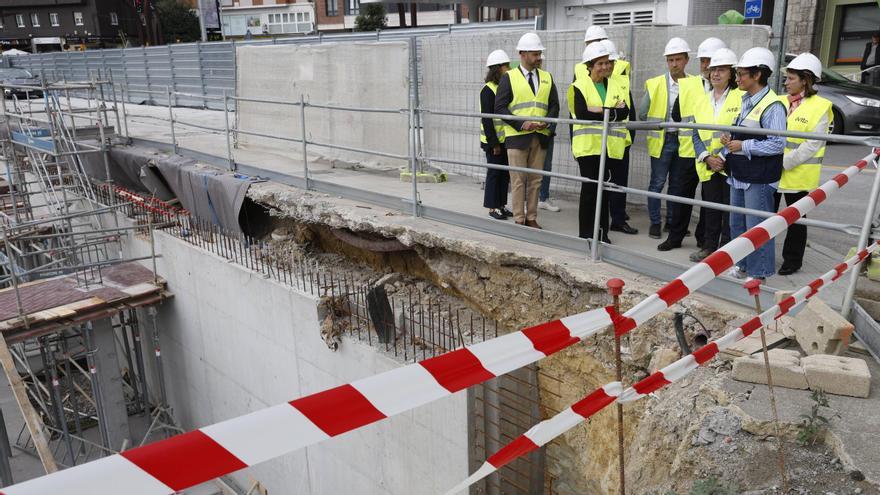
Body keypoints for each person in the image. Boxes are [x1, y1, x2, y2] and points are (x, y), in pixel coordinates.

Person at [719, 47, 787, 281]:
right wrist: (730, 141)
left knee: (757, 227)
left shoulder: (773, 105)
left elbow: (778, 144)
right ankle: (743, 266)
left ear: (757, 75)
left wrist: (744, 146)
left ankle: (759, 273)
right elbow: (747, 133)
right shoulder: (746, 100)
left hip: (758, 177)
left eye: (741, 74)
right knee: (738, 224)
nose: (737, 78)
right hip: (740, 174)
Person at [658, 38, 728, 252]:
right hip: (688, 151)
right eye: (704, 61)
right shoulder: (688, 85)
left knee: (709, 200)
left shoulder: (732, 92)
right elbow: (678, 114)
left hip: (714, 156)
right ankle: (675, 236)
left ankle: (704, 238)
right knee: (680, 196)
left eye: (711, 62)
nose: (707, 66)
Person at [679, 48, 742, 261]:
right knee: (711, 208)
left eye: (721, 70)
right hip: (709, 164)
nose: (715, 73)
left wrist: (722, 157)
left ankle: (726, 252)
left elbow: (740, 131)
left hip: (730, 163)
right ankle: (708, 247)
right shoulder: (702, 100)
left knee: (729, 210)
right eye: (713, 69)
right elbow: (696, 134)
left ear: (732, 73)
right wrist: (706, 156)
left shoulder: (740, 98)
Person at [775, 53, 833, 275]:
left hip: (798, 174)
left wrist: (783, 162)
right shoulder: (779, 101)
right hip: (773, 172)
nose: (786, 82)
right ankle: (760, 256)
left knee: (796, 221)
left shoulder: (821, 107)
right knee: (766, 218)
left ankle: (792, 260)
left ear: (805, 80)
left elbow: (812, 144)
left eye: (791, 78)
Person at [494, 33, 560, 229]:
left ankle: (531, 218)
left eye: (539, 53)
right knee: (518, 180)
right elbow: (500, 108)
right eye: (535, 53)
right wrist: (522, 124)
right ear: (522, 54)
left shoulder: (547, 77)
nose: (539, 57)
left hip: (540, 136)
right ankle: (519, 219)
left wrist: (546, 123)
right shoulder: (509, 77)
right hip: (517, 137)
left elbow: (554, 105)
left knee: (536, 180)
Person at [569, 42, 630, 243]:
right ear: (590, 65)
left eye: (607, 63)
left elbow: (625, 111)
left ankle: (602, 233)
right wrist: (611, 110)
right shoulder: (579, 86)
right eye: (600, 64)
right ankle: (585, 234)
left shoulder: (615, 84)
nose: (605, 67)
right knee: (589, 191)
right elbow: (582, 112)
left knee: (603, 190)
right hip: (588, 147)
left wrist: (599, 109)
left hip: (608, 147)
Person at [639, 37, 694, 239]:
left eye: (678, 59)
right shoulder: (655, 84)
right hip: (662, 141)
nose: (674, 64)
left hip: (683, 142)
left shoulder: (694, 84)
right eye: (670, 60)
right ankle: (655, 222)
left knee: (677, 185)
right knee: (657, 183)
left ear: (686, 60)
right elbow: (643, 114)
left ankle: (672, 222)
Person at [601, 39, 638, 235]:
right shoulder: (592, 84)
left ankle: (618, 219)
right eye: (605, 62)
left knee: (619, 184)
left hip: (620, 143)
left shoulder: (622, 82)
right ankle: (601, 221)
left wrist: (629, 137)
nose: (609, 66)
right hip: (599, 144)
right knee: (601, 183)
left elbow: (629, 111)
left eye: (611, 62)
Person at [480, 49, 513, 221]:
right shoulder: (488, 90)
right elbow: (487, 120)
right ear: (498, 68)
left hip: (505, 140)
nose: (509, 68)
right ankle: (493, 206)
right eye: (507, 66)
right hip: (493, 142)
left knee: (504, 174)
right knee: (494, 173)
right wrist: (494, 144)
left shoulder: (502, 87)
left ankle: (501, 205)